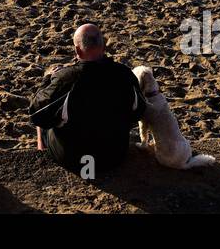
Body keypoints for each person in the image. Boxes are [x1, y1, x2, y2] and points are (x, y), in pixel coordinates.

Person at [29, 23, 146, 174]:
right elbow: (139, 111)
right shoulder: (125, 75)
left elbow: (35, 114)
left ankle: (41, 148)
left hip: (74, 161)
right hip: (113, 157)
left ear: (77, 49)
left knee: (47, 109)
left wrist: (48, 80)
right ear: (103, 46)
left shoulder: (66, 79)